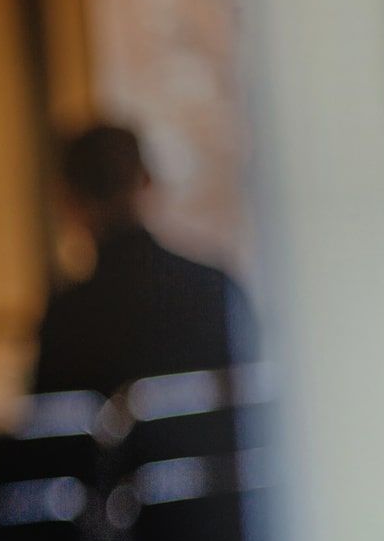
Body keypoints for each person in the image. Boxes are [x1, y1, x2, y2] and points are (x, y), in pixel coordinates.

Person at [34, 124, 256, 395]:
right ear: (148, 179)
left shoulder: (67, 320)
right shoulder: (218, 290)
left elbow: (52, 428)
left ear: (69, 202)